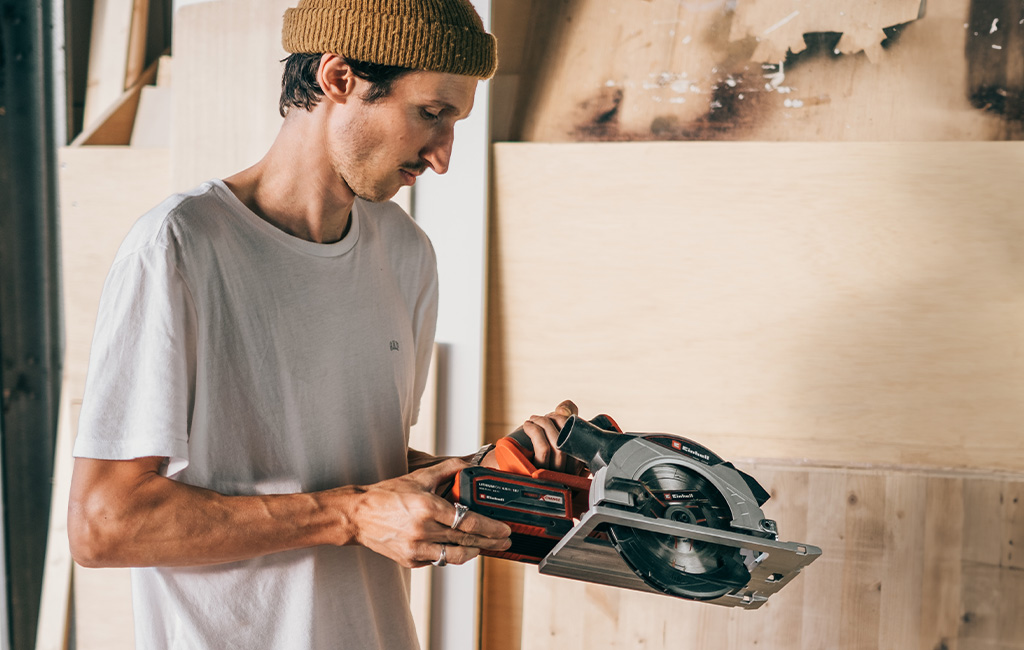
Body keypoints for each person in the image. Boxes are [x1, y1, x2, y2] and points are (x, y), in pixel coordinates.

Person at [66, 0, 576, 647]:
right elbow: (105, 526)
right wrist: (353, 515)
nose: (442, 157)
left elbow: (359, 464)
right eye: (431, 114)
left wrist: (492, 469)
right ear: (339, 79)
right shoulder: (180, 247)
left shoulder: (405, 253)